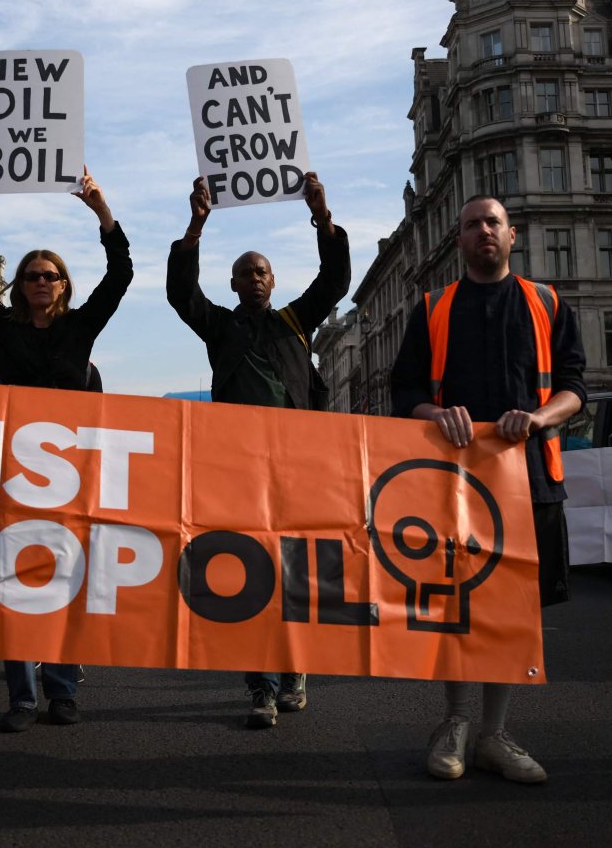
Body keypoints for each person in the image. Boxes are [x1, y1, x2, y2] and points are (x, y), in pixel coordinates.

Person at [390, 196, 585, 784]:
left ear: (512, 235)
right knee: (457, 607)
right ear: (460, 241)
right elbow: (404, 396)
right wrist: (436, 412)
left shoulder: (548, 303)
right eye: (472, 224)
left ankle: (494, 734)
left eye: (492, 223)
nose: (483, 232)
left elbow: (575, 386)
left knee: (511, 614)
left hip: (531, 481)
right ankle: (453, 722)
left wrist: (542, 418)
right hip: (451, 487)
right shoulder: (432, 309)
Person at [165, 171, 349, 729]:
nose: (254, 278)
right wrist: (196, 225)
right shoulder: (220, 329)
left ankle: (293, 671)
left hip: (297, 469)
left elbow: (335, 281)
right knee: (251, 577)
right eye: (245, 272)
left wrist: (321, 215)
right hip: (240, 470)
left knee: (293, 575)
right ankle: (261, 689)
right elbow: (181, 295)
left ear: (273, 279)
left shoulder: (295, 322)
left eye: (262, 270)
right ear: (234, 282)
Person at [0, 157, 132, 733]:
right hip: (12, 468)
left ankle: (60, 688)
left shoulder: (81, 327)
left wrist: (101, 211)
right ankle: (20, 696)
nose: (39, 283)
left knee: (65, 579)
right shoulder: (2, 330)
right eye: (31, 275)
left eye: (49, 275)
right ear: (20, 287)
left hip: (70, 471)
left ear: (63, 285)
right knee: (13, 578)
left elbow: (122, 273)